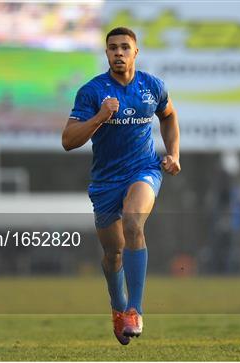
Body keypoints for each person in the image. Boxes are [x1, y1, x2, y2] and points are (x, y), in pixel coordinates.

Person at [62, 27, 180, 345]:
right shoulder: (92, 92)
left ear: (135, 53)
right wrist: (100, 116)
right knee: (113, 253)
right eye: (112, 47)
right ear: (106, 53)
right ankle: (118, 308)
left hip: (144, 170)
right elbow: (68, 141)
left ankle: (135, 310)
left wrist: (173, 154)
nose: (118, 53)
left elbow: (168, 116)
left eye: (125, 47)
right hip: (105, 182)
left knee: (133, 222)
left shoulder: (152, 86)